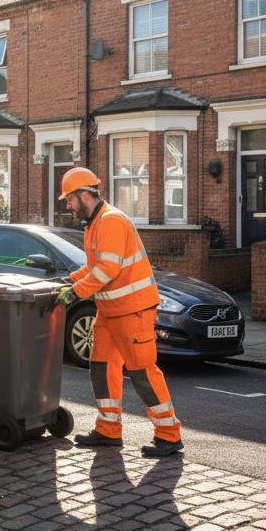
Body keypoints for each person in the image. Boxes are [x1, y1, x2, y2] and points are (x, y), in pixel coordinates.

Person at [55, 167, 183, 457]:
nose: (68, 205)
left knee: (142, 372)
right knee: (100, 367)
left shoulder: (111, 221)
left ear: (84, 195)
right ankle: (108, 430)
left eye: (70, 199)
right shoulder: (95, 223)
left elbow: (108, 270)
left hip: (133, 311)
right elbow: (94, 266)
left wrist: (74, 293)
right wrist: (67, 281)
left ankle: (169, 435)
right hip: (110, 311)